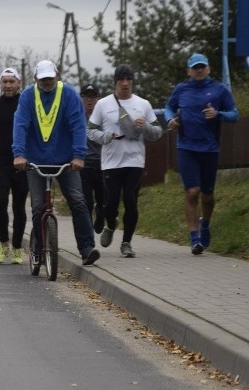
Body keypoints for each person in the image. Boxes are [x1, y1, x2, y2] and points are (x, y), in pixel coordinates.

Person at [12, 60, 100, 266]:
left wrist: (79, 156)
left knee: (78, 200)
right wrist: (18, 154)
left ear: (57, 75)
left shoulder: (69, 95)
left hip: (66, 161)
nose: (47, 82)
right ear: (35, 79)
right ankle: (38, 249)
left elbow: (78, 126)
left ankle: (87, 249)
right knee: (36, 206)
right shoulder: (27, 96)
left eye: (50, 78)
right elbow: (20, 125)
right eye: (43, 79)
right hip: (34, 161)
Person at [164, 53, 239, 255]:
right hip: (187, 148)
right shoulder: (182, 89)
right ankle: (194, 237)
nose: (198, 70)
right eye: (195, 67)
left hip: (210, 149)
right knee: (192, 192)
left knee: (207, 196)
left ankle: (205, 223)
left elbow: (234, 114)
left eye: (202, 67)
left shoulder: (219, 89)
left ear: (208, 69)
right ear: (188, 70)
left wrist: (218, 114)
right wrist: (170, 120)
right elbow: (169, 108)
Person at [87, 65, 162, 258]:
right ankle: (111, 224)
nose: (125, 83)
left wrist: (144, 125)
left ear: (133, 82)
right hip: (111, 162)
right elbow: (90, 130)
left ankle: (127, 243)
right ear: (115, 82)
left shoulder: (143, 104)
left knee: (130, 200)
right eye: (121, 80)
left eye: (129, 79)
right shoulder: (103, 105)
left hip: (135, 161)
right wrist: (105, 136)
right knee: (111, 202)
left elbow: (157, 132)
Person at [0, 67, 30, 265]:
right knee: (0, 203)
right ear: (1, 83)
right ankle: (4, 244)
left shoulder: (26, 104)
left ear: (19, 83)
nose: (8, 85)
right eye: (5, 81)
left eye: (12, 81)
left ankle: (17, 248)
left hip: (22, 161)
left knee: (19, 206)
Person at [79, 83, 105, 235]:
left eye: (93, 96)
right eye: (86, 96)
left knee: (103, 201)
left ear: (98, 98)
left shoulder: (103, 116)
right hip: (84, 165)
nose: (89, 100)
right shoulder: (77, 116)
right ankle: (88, 235)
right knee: (86, 202)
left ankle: (100, 216)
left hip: (102, 164)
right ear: (81, 98)